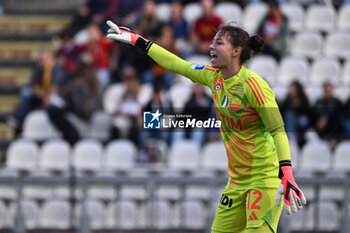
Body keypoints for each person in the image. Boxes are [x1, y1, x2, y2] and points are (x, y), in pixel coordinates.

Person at [106, 20, 306, 232]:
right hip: (237, 181)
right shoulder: (214, 76)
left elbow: (278, 130)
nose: (211, 46)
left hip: (264, 179)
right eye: (212, 42)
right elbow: (175, 64)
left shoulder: (254, 86)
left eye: (218, 42)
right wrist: (137, 40)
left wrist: (287, 174)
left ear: (236, 51)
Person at [314, 82, 345, 150]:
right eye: (326, 90)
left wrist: (326, 117)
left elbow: (341, 117)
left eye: (329, 90)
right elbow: (314, 117)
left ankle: (333, 139)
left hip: (336, 131)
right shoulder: (319, 103)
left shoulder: (337, 102)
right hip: (322, 131)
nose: (327, 92)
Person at [281, 80, 310, 148]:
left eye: (293, 89)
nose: (291, 91)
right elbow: (282, 113)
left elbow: (307, 114)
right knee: (289, 115)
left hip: (300, 125)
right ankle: (291, 137)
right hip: (290, 124)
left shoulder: (304, 100)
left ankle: (300, 138)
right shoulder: (287, 100)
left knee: (303, 120)